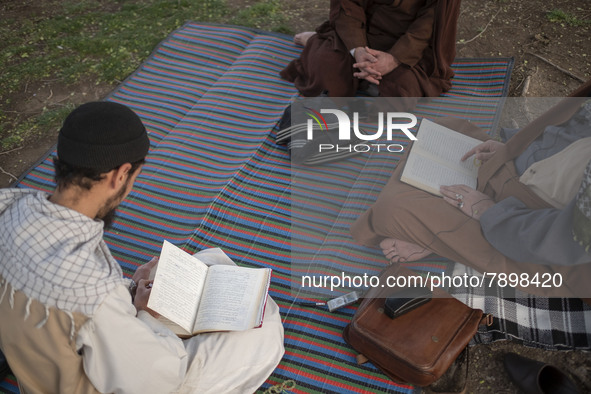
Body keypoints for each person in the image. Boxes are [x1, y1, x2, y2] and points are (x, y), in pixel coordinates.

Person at [0, 101, 284, 393]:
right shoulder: (94, 292)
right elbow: (156, 379)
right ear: (119, 175)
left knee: (196, 265)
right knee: (264, 329)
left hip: (45, 345)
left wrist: (129, 292)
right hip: (89, 381)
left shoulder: (9, 207)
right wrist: (143, 314)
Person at [350, 81, 591, 299]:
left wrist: (486, 210)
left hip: (533, 232)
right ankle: (435, 232)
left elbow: (566, 241)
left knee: (389, 212)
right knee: (446, 128)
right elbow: (572, 131)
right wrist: (513, 150)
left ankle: (431, 237)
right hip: (517, 175)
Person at [280, 0, 461, 101]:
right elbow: (347, 6)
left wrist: (394, 59)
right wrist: (357, 49)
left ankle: (365, 78)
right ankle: (315, 41)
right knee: (327, 75)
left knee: (397, 95)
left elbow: (430, 24)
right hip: (360, 34)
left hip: (408, 46)